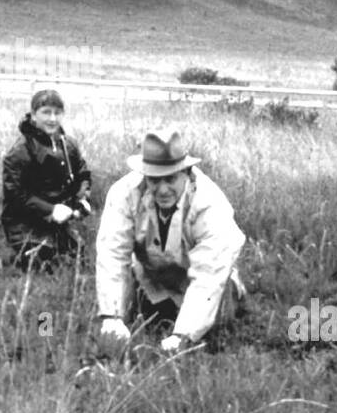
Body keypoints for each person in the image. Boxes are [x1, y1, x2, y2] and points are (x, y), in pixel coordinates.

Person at [95, 129, 247, 353]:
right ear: (144, 174)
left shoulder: (210, 203)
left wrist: (182, 336)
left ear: (186, 172)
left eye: (171, 179)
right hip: (151, 278)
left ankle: (195, 324)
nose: (163, 189)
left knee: (218, 320)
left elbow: (209, 275)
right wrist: (112, 316)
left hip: (203, 283)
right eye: (154, 180)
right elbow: (113, 253)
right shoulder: (124, 193)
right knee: (127, 318)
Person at [0, 89, 92, 271]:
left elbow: (83, 174)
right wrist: (50, 210)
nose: (52, 119)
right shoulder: (20, 152)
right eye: (46, 112)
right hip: (24, 223)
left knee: (79, 262)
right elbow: (16, 195)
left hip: (59, 223)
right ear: (33, 115)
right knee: (43, 264)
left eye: (57, 113)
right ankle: (14, 258)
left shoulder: (68, 145)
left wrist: (82, 198)